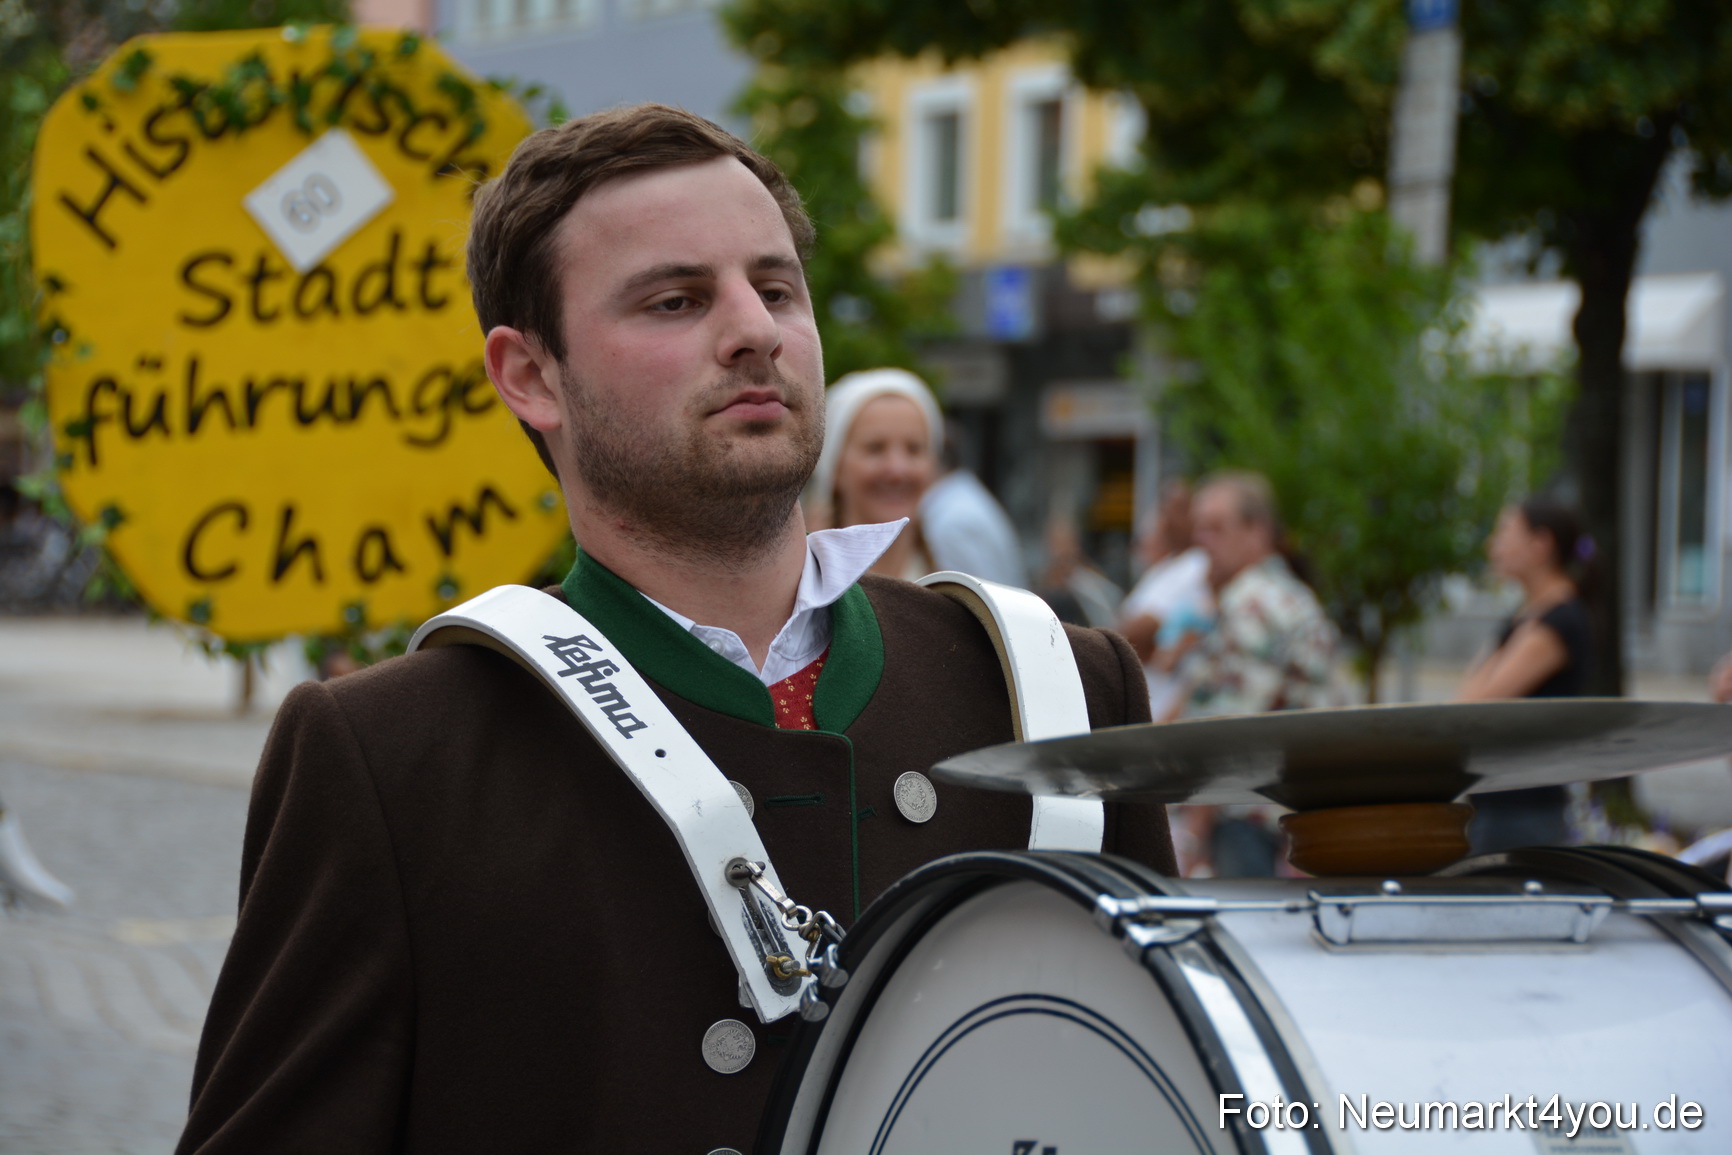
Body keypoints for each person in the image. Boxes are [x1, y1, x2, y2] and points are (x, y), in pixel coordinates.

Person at [176, 105, 1174, 1154]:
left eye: (776, 287)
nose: (754, 329)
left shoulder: (1053, 687)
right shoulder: (388, 757)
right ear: (529, 376)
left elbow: (1187, 1099)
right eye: (675, 299)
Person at [1175, 471, 1339, 876]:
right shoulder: (1292, 595)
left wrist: (1195, 833)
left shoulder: (1251, 604)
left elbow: (1227, 728)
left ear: (1258, 531)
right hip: (1293, 814)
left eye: (1216, 528)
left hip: (1248, 815)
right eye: (1198, 528)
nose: (1202, 540)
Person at [1456, 495, 1595, 852]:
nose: (1494, 544)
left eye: (1505, 532)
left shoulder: (1557, 622)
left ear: (1541, 544)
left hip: (1524, 811)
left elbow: (1475, 704)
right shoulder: (1527, 617)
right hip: (1502, 805)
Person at [805, 367, 941, 578]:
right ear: (835, 468)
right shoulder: (798, 593)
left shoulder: (956, 595)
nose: (897, 469)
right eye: (875, 448)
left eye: (914, 449)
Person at [1118, 479, 1212, 721]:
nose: (1168, 518)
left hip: (1160, 704)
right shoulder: (1165, 565)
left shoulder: (1198, 564)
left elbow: (1139, 633)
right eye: (1165, 508)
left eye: (1178, 509)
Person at [919, 420, 1029, 587]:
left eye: (913, 452)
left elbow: (967, 597)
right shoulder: (963, 496)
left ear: (934, 460)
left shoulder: (951, 520)